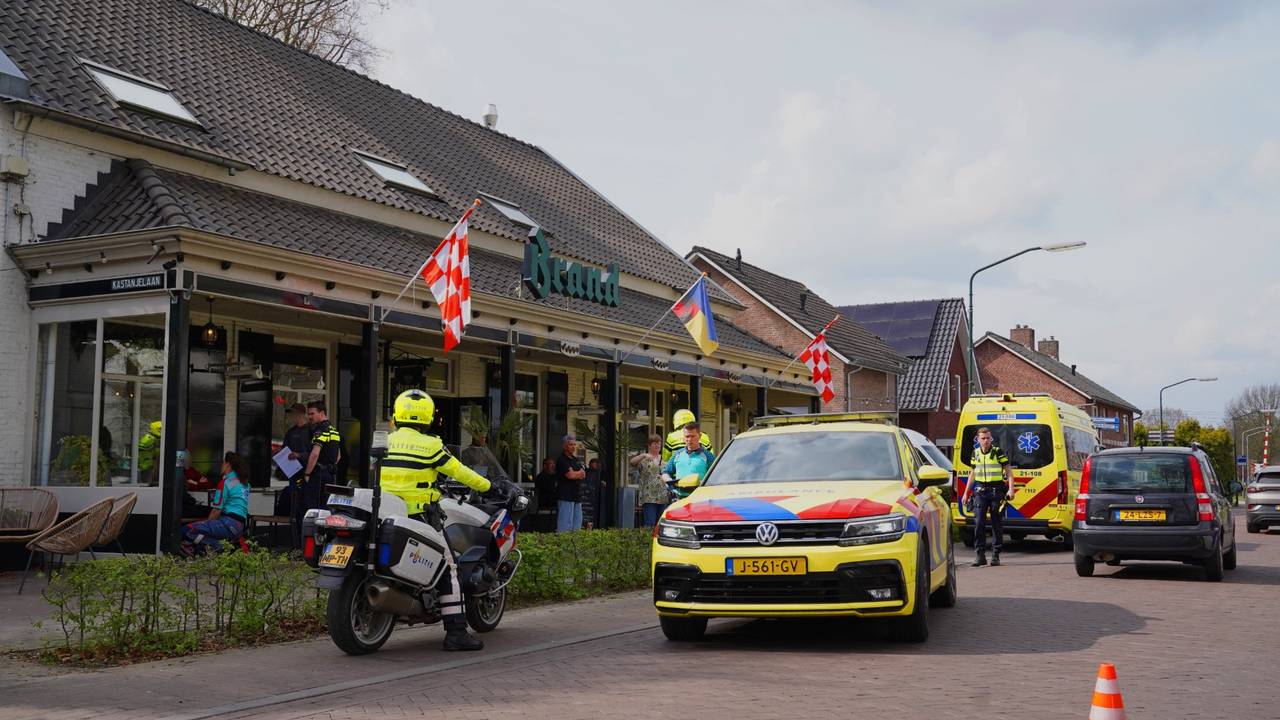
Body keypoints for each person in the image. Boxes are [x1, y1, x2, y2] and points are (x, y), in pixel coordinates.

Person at [379, 389, 507, 652]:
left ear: (397, 413)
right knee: (450, 567)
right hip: (420, 514)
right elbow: (460, 472)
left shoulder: (385, 441)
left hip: (385, 512)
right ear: (427, 416)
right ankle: (457, 632)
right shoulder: (431, 445)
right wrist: (488, 487)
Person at [960, 427, 1012, 567]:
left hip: (996, 491)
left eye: (988, 438)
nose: (986, 441)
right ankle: (980, 555)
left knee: (996, 523)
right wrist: (966, 493)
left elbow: (1009, 471)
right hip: (980, 491)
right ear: (978, 439)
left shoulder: (997, 452)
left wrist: (1011, 490)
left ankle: (995, 554)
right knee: (978, 523)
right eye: (983, 438)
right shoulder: (975, 453)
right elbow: (972, 473)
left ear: (991, 438)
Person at [181, 452, 251, 555]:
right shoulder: (245, 483)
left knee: (186, 530)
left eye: (223, 463)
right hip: (240, 525)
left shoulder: (225, 482)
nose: (221, 465)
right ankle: (224, 548)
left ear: (228, 465)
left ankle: (221, 547)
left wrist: (207, 524)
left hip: (227, 522)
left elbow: (216, 510)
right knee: (201, 541)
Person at [300, 400, 341, 542]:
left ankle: (310, 544)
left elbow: (315, 454)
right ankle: (325, 542)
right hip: (330, 475)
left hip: (318, 476)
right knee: (326, 510)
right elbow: (338, 456)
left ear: (322, 413)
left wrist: (307, 473)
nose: (309, 416)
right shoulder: (334, 430)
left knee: (312, 511)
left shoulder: (320, 430)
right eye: (308, 413)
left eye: (312, 413)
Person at [280, 403, 310, 530]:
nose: (292, 416)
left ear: (302, 414)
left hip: (308, 475)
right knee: (295, 506)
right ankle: (295, 536)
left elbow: (316, 454)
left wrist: (299, 455)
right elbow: (284, 449)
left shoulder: (311, 431)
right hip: (293, 474)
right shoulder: (290, 432)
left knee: (306, 505)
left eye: (294, 413)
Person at [662, 423, 716, 491]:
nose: (690, 439)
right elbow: (665, 472)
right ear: (684, 438)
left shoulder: (708, 456)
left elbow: (717, 476)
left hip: (699, 498)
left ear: (699, 436)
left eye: (693, 436)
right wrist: (670, 481)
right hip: (679, 498)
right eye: (687, 436)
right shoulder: (677, 454)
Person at [632, 434, 667, 526]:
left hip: (663, 496)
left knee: (661, 524)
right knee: (649, 523)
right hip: (649, 497)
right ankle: (648, 540)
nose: (657, 446)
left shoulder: (664, 459)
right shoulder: (644, 459)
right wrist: (643, 455)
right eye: (655, 443)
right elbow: (632, 462)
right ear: (649, 445)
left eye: (659, 444)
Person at [555, 435, 586, 532]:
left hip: (577, 495)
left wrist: (576, 473)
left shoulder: (575, 459)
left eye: (574, 444)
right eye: (570, 445)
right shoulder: (562, 460)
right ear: (565, 446)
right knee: (565, 524)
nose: (573, 447)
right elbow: (570, 475)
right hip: (566, 495)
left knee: (577, 525)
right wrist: (577, 473)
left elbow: (583, 474)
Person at [179, 450, 215, 518]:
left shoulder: (193, 470)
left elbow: (209, 484)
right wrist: (199, 484)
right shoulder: (179, 472)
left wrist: (195, 483)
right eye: (188, 456)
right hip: (185, 505)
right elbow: (188, 487)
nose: (190, 458)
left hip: (191, 502)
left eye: (190, 456)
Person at [583, 458, 602, 529]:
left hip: (596, 501)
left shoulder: (601, 473)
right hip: (587, 501)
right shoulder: (586, 472)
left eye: (598, 464)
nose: (597, 466)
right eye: (595, 464)